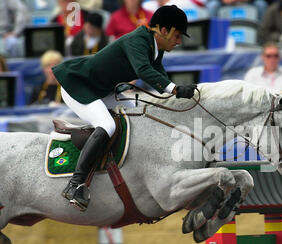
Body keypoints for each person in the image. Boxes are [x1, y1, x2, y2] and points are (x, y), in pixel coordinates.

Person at [52, 5, 197, 211]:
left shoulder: (154, 48)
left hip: (102, 89)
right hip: (79, 86)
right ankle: (75, 184)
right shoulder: (138, 40)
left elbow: (159, 75)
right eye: (177, 35)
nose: (179, 41)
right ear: (163, 31)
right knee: (107, 125)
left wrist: (179, 95)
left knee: (138, 113)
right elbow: (144, 70)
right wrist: (174, 89)